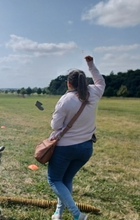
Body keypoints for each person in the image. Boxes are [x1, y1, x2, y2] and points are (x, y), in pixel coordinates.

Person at [48, 56, 105, 220]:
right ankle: (58, 212)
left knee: (54, 179)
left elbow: (55, 126)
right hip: (86, 148)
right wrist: (91, 64)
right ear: (85, 82)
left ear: (69, 84)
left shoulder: (65, 100)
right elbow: (100, 80)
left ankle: (77, 214)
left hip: (65, 148)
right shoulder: (95, 92)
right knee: (66, 179)